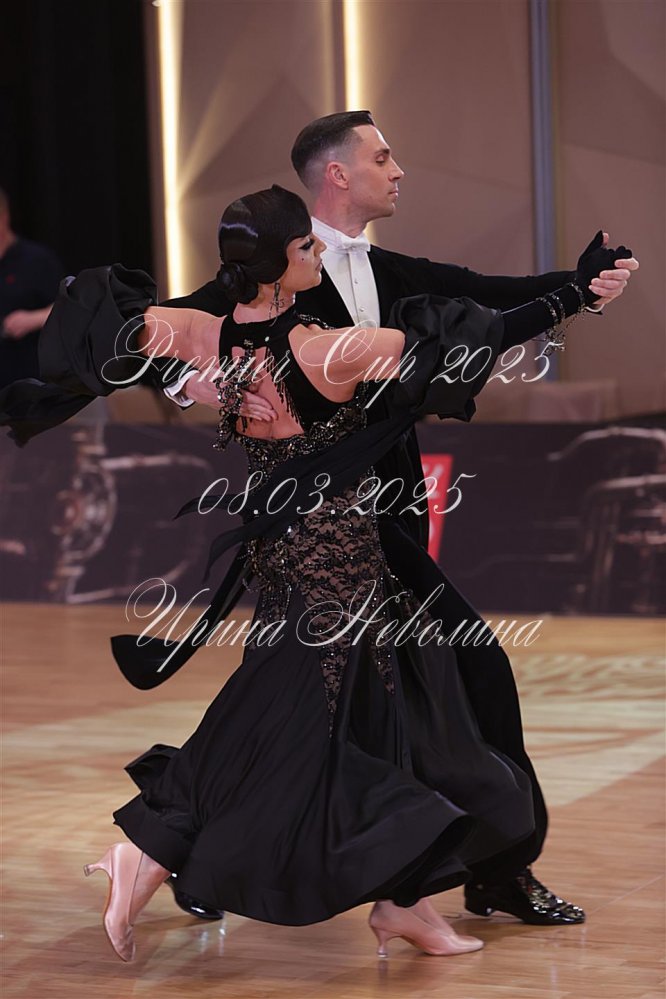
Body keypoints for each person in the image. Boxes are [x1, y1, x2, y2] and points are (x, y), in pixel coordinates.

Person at [0, 185, 632, 963]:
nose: (318, 254)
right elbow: (485, 334)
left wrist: (192, 383)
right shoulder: (326, 350)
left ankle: (403, 899)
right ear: (278, 265)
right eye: (305, 247)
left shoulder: (203, 333)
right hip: (337, 566)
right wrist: (573, 297)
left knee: (391, 703)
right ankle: (149, 850)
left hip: (296, 558)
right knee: (280, 718)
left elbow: (104, 328)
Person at [151, 112, 639, 925]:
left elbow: (489, 297)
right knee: (416, 683)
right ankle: (213, 853)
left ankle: (449, 872)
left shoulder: (392, 270)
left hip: (390, 519)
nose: (399, 169)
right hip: (319, 535)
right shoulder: (265, 275)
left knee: (345, 704)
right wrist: (199, 385)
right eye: (383, 156)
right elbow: (159, 339)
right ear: (337, 175)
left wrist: (578, 287)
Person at [0, 188, 63, 389]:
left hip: (29, 383)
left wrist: (32, 319)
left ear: (4, 217)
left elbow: (68, 309)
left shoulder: (37, 261)